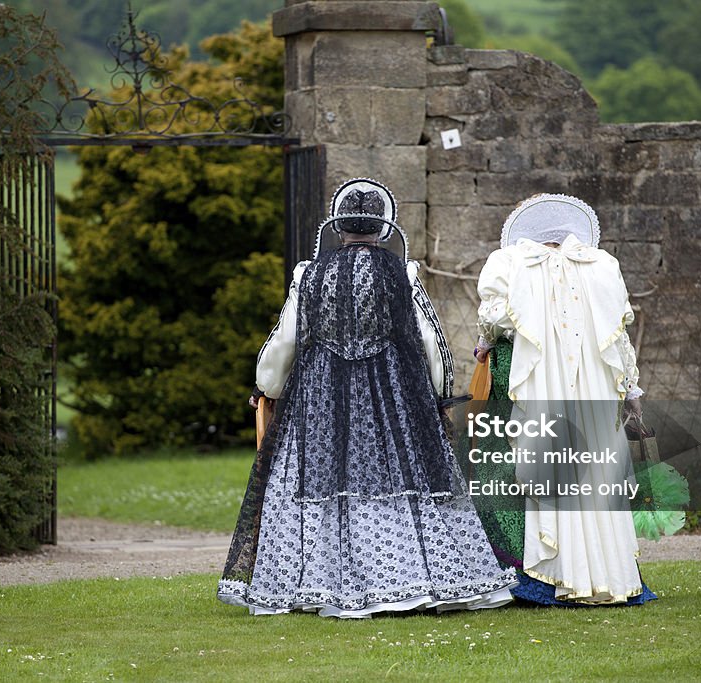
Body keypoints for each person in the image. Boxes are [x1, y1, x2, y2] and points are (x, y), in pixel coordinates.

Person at [217, 178, 517, 617]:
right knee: (400, 480)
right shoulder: (403, 274)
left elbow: (285, 341)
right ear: (382, 228)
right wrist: (435, 392)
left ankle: (316, 583)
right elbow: (430, 342)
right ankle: (408, 578)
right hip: (393, 395)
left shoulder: (310, 273)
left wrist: (268, 387)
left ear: (338, 229)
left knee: (318, 483)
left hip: (319, 397)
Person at [472, 193, 656, 606]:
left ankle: (545, 577)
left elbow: (493, 317)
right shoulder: (602, 266)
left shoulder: (507, 263)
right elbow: (619, 338)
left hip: (541, 383)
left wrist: (484, 345)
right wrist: (631, 390)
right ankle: (611, 576)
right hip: (592, 386)